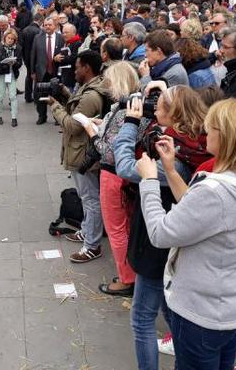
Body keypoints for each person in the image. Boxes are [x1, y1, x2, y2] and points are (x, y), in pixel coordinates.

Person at [135, 98, 236, 369]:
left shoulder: (215, 192)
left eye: (210, 127)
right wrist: (169, 168)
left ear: (226, 138)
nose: (205, 131)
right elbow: (199, 212)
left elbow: (160, 233)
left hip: (202, 313)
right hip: (233, 304)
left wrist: (150, 181)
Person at [113, 84, 210, 370]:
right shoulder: (194, 142)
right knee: (170, 310)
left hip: (159, 242)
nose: (153, 109)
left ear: (175, 113)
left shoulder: (175, 158)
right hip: (177, 239)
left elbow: (125, 166)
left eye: (159, 107)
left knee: (142, 318)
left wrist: (130, 123)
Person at [83, 62, 141, 296]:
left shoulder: (124, 109)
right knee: (125, 225)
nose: (106, 86)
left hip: (113, 174)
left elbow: (111, 151)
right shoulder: (133, 103)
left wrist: (94, 135)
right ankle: (132, 273)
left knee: (116, 227)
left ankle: (126, 279)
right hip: (125, 176)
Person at [49, 50, 109, 263]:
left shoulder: (92, 95)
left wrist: (54, 105)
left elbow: (73, 126)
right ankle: (87, 231)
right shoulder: (91, 88)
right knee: (87, 197)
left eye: (77, 67)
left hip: (83, 152)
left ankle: (92, 245)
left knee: (91, 199)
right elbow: (78, 107)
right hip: (81, 150)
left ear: (87, 68)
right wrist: (64, 92)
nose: (74, 71)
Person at [30, 17, 64, 125]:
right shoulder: (37, 38)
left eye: (50, 25)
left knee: (56, 95)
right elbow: (33, 55)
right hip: (42, 72)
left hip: (55, 71)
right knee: (41, 96)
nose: (47, 27)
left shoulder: (61, 38)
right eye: (45, 25)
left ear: (55, 26)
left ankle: (57, 117)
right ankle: (42, 116)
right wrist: (32, 72)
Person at [0, 28, 23, 126]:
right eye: (9, 38)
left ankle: (14, 118)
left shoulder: (18, 48)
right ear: (5, 37)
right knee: (0, 96)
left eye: (12, 39)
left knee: (13, 96)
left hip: (12, 74)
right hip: (1, 73)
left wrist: (15, 62)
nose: (10, 40)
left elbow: (20, 63)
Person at [21, 13, 43, 103]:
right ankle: (36, 95)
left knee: (29, 75)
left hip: (26, 57)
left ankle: (27, 95)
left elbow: (22, 45)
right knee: (36, 76)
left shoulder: (25, 30)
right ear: (40, 20)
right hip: (35, 57)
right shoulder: (38, 31)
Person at [55, 23, 81, 91]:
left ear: (73, 33)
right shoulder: (65, 43)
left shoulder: (78, 43)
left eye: (66, 32)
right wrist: (55, 58)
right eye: (63, 33)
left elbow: (74, 58)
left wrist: (60, 59)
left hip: (71, 79)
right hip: (63, 77)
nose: (64, 35)